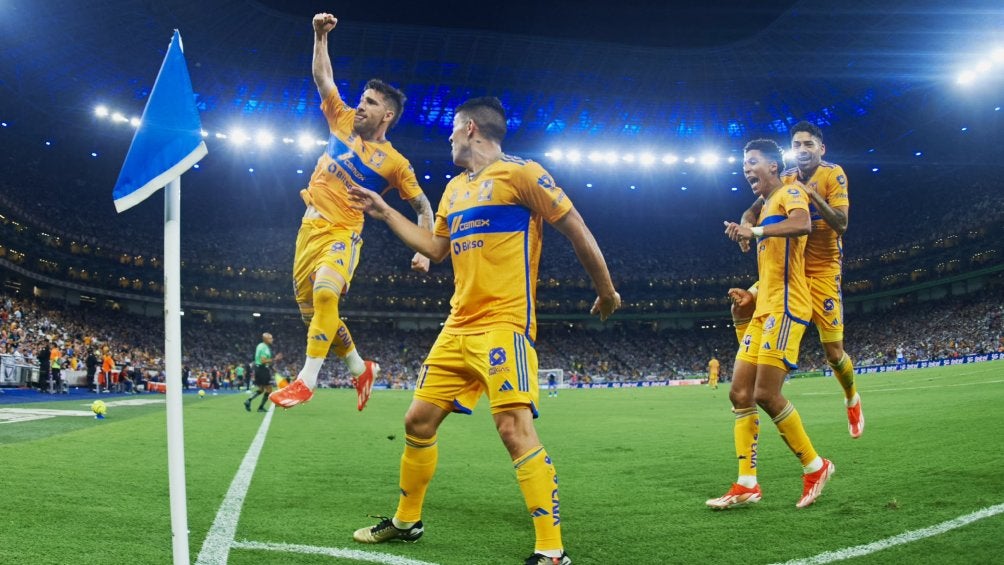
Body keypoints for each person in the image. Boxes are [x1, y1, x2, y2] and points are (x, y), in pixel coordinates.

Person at [348, 96, 620, 565]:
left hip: (504, 324)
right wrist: (384, 211)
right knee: (417, 421)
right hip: (457, 326)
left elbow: (575, 227)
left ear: (469, 127)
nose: (448, 138)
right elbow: (435, 249)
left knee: (514, 429)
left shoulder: (523, 173)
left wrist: (607, 290)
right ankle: (407, 521)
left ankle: (551, 552)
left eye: (452, 130)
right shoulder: (453, 190)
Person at [269, 12, 434, 412]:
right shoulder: (342, 120)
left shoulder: (395, 163)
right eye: (361, 100)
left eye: (370, 103)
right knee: (320, 317)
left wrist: (423, 248)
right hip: (308, 231)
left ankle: (306, 381)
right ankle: (361, 368)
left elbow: (422, 205)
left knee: (327, 294)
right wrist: (319, 36)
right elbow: (323, 79)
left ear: (387, 116)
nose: (360, 107)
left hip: (345, 233)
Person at [710, 138, 834, 510]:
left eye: (752, 163)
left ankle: (816, 466)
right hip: (764, 307)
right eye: (744, 164)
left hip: (787, 306)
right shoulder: (764, 206)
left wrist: (756, 232)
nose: (746, 169)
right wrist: (751, 293)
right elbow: (756, 226)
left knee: (765, 393)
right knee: (739, 394)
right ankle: (747, 482)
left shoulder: (791, 192)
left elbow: (802, 224)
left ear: (773, 168)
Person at [734, 121, 862, 438]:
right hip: (791, 267)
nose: (802, 150)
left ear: (821, 148)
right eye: (797, 145)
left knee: (833, 352)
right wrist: (745, 224)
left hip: (823, 269)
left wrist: (813, 197)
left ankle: (851, 398)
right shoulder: (787, 177)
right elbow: (753, 208)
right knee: (742, 304)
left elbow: (841, 224)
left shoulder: (833, 174)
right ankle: (760, 370)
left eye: (808, 144)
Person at [246, 333, 281, 413]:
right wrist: (275, 359)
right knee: (269, 389)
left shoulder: (260, 345)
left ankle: (248, 400)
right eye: (270, 338)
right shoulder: (265, 348)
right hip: (263, 370)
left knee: (261, 389)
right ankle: (260, 407)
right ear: (265, 339)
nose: (272, 340)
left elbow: (259, 360)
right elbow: (263, 361)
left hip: (258, 369)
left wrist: (272, 368)